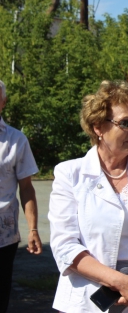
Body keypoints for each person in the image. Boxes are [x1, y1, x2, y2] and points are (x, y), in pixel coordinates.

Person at [48, 80, 128, 313]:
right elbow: (65, 246)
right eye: (126, 123)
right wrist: (120, 282)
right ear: (98, 126)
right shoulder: (69, 173)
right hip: (87, 299)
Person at [0, 80, 42, 313]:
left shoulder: (16, 140)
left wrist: (33, 229)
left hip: (3, 235)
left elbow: (26, 188)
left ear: (3, 102)